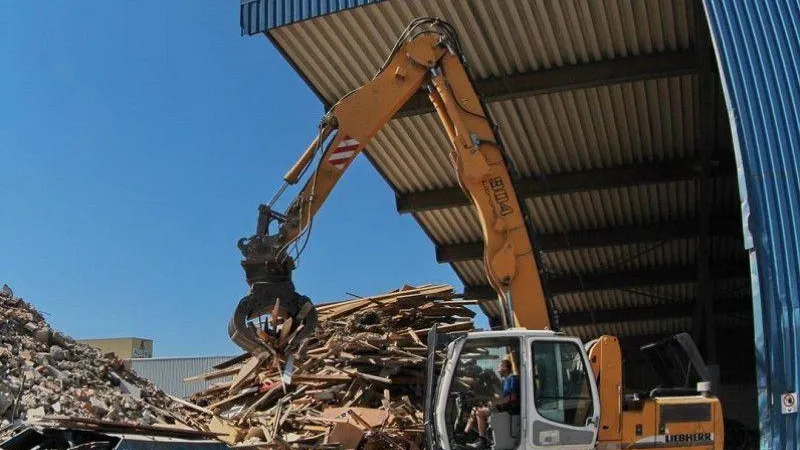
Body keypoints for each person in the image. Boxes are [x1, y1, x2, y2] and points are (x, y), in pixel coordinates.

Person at [464, 359, 520, 449]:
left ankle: (481, 440)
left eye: (499, 367)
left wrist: (496, 402)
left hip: (506, 409)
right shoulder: (504, 380)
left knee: (479, 412)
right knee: (475, 408)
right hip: (500, 406)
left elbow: (512, 397)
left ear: (505, 367)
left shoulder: (512, 379)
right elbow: (499, 395)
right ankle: (465, 433)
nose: (497, 370)